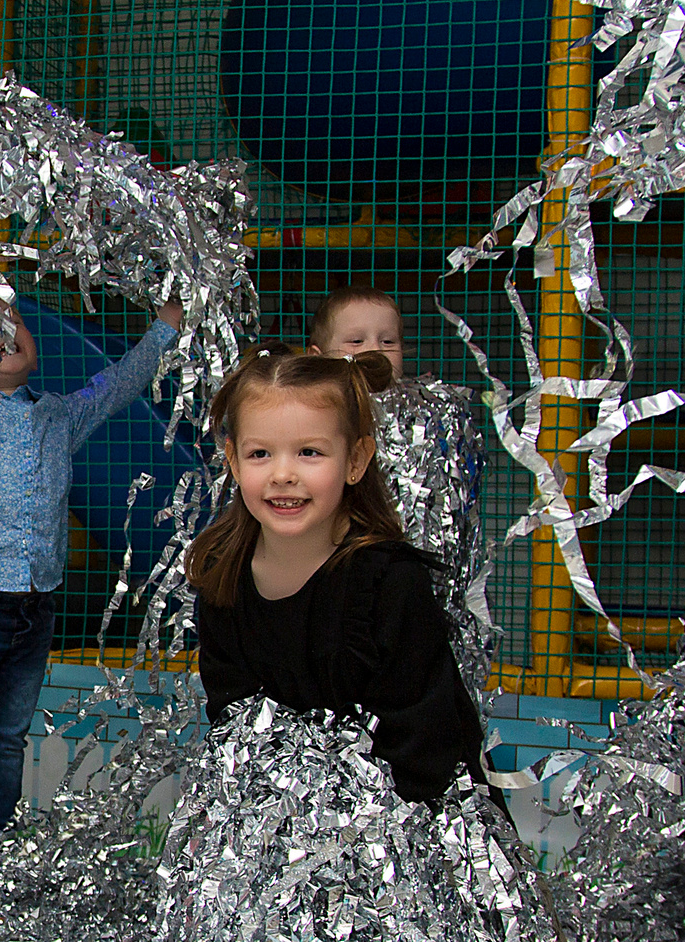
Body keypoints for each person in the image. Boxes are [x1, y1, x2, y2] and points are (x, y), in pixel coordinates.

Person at [190, 347, 484, 803]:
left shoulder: (390, 583)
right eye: (260, 453)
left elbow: (425, 744)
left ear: (356, 460)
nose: (282, 474)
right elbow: (234, 727)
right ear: (233, 460)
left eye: (309, 452)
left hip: (410, 827)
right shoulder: (221, 581)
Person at [0, 298, 181, 831]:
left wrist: (163, 331)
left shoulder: (58, 415)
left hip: (36, 607)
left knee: (7, 736)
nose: (3, 333)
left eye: (11, 321)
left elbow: (119, 384)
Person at [305, 286, 494, 691]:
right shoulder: (311, 419)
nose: (374, 350)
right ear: (318, 358)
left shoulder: (431, 420)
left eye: (388, 341)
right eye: (355, 341)